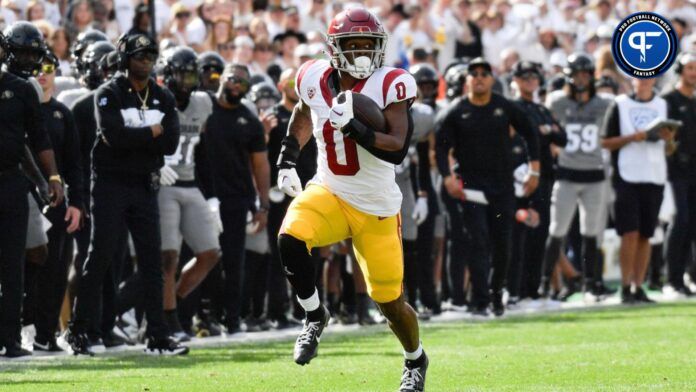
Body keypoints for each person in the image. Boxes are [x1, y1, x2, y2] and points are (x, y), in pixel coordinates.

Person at [274, 8, 429, 391]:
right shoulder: (312, 75)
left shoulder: (392, 82)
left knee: (390, 302)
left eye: (368, 45)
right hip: (330, 190)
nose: (362, 53)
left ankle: (415, 359)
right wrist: (288, 158)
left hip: (376, 207)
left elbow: (397, 148)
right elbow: (304, 110)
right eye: (353, 45)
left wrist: (355, 127)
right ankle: (314, 315)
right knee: (290, 238)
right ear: (335, 49)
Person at [66, 33, 187, 356]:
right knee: (100, 255)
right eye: (138, 55)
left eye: (150, 55)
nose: (145, 61)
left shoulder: (162, 95)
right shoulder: (109, 93)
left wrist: (141, 137)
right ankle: (79, 331)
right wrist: (152, 132)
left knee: (151, 261)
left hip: (145, 184)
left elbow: (171, 142)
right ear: (123, 58)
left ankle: (158, 336)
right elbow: (113, 137)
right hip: (110, 184)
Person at [435, 57, 540, 317]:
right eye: (474, 73)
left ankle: (495, 294)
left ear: (492, 79)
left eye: (484, 73)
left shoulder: (504, 107)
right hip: (471, 187)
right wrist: (447, 177)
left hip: (502, 186)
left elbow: (530, 132)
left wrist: (534, 170)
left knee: (502, 243)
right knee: (477, 242)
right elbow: (440, 145)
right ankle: (480, 300)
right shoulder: (456, 111)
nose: (479, 77)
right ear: (467, 80)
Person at [0, 22, 64, 358]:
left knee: (13, 264)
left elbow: (35, 138)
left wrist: (49, 178)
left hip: (11, 181)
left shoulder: (23, 89)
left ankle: (10, 340)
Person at [200, 63, 270, 334]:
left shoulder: (249, 121)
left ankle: (231, 318)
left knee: (233, 261)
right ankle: (203, 315)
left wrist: (262, 205)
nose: (237, 85)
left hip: (237, 199)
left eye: (243, 83)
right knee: (204, 256)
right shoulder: (204, 109)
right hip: (203, 195)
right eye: (233, 79)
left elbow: (261, 165)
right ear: (221, 79)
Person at [157, 46, 221, 341]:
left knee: (209, 253)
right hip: (164, 185)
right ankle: (168, 321)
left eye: (190, 74)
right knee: (168, 257)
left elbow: (206, 150)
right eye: (181, 74)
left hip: (190, 182)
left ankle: (173, 305)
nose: (186, 80)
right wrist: (156, 166)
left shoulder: (203, 103)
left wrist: (212, 197)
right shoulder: (155, 100)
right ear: (168, 74)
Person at [538, 53, 611, 301]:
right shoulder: (557, 101)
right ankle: (545, 283)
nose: (581, 79)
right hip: (567, 173)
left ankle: (591, 283)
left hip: (595, 174)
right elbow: (544, 123)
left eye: (585, 74)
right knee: (557, 230)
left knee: (591, 233)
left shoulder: (604, 103)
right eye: (577, 74)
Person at [23, 51, 83, 353]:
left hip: (58, 200)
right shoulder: (19, 107)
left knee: (58, 268)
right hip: (25, 196)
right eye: (35, 69)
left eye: (47, 68)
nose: (41, 74)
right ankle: (25, 326)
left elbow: (75, 163)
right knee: (27, 266)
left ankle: (46, 334)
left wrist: (77, 204)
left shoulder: (62, 113)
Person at [602, 77, 676, 304]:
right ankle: (625, 285)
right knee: (630, 233)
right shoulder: (620, 104)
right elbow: (605, 142)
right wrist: (633, 137)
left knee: (647, 234)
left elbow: (670, 149)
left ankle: (639, 285)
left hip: (654, 175)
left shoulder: (663, 105)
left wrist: (669, 139)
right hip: (627, 174)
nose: (643, 82)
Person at [509, 60, 567, 302]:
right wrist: (545, 131)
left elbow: (561, 137)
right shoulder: (514, 107)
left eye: (533, 76)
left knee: (540, 232)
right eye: (525, 77)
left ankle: (533, 288)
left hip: (544, 177)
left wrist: (547, 131)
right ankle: (517, 289)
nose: (530, 81)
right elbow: (524, 136)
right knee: (521, 232)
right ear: (516, 80)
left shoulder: (542, 109)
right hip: (521, 176)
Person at [662, 52, 696, 296]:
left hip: (693, 169)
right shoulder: (668, 100)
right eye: (690, 68)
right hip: (674, 170)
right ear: (680, 71)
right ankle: (672, 279)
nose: (694, 73)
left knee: (692, 223)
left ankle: (688, 276)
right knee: (680, 221)